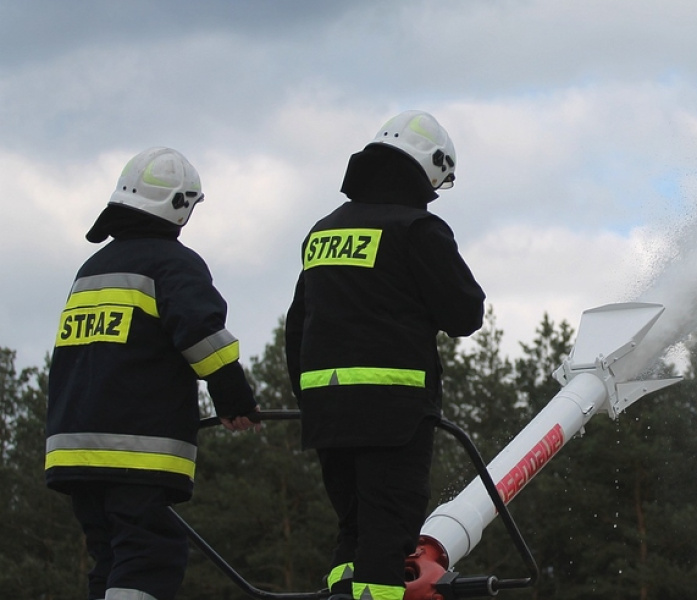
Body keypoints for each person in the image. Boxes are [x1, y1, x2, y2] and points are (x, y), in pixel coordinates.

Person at [285, 110, 485, 600]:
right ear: (430, 166)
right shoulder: (417, 229)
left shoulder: (323, 232)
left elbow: (298, 326)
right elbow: (465, 314)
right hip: (392, 416)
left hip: (327, 414)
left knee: (351, 531)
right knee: (386, 538)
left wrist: (313, 398)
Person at [45, 147, 261, 600]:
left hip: (75, 451)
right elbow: (202, 335)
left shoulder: (93, 269)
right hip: (135, 450)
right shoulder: (172, 263)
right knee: (149, 556)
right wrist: (234, 399)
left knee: (110, 559)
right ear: (178, 206)